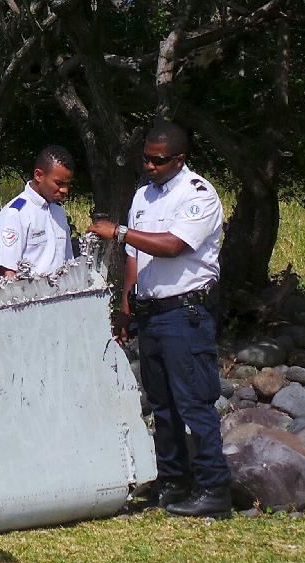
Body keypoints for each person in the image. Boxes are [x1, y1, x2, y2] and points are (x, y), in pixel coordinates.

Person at [87, 121, 232, 519]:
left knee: (194, 402)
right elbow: (136, 257)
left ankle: (213, 486)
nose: (149, 165)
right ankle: (171, 480)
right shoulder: (142, 196)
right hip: (152, 311)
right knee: (161, 404)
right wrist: (126, 306)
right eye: (146, 158)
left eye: (158, 160)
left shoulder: (198, 194)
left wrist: (117, 231)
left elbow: (171, 246)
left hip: (185, 312)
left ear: (179, 159)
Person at [0, 146, 76, 277]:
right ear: (39, 175)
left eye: (67, 185)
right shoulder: (16, 213)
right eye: (59, 183)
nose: (64, 190)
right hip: (31, 295)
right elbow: (8, 271)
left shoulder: (58, 212)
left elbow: (68, 262)